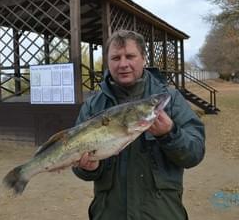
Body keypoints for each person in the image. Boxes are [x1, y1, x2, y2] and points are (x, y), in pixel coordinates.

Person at [72, 29, 205, 220]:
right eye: (116, 58)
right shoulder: (93, 106)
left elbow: (195, 153)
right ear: (107, 62)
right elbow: (79, 167)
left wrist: (169, 134)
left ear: (143, 58)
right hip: (108, 214)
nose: (123, 64)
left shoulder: (171, 99)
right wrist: (88, 168)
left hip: (162, 214)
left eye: (130, 56)